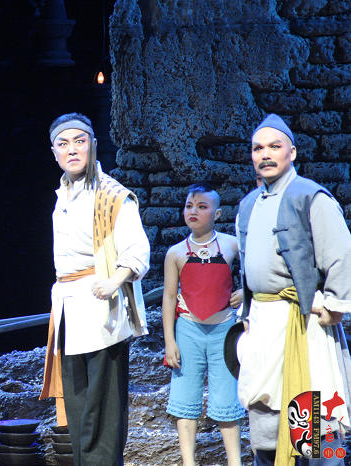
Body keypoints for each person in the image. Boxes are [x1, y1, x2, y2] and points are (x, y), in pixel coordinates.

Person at [235, 114, 351, 465]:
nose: (265, 154)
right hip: (263, 324)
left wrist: (335, 306)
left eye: (274, 146)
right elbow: (246, 265)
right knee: (267, 425)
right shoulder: (248, 204)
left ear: (292, 152)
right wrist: (247, 312)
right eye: (258, 148)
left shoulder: (310, 197)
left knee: (315, 419)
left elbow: (342, 253)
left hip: (303, 322)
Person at [39, 113, 150, 465]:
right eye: (63, 144)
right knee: (78, 403)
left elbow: (138, 250)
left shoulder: (112, 195)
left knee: (102, 407)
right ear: (54, 152)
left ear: (93, 145)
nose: (72, 150)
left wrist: (115, 280)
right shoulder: (63, 195)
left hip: (102, 309)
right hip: (70, 309)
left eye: (79, 141)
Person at [162, 182, 245, 465]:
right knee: (185, 399)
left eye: (202, 206)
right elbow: (169, 297)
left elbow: (254, 274)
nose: (193, 211)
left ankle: (235, 461)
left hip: (224, 330)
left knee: (227, 399)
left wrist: (245, 293)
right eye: (189, 206)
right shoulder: (175, 253)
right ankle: (189, 461)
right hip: (188, 330)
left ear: (217, 213)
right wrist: (170, 341)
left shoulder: (232, 245)